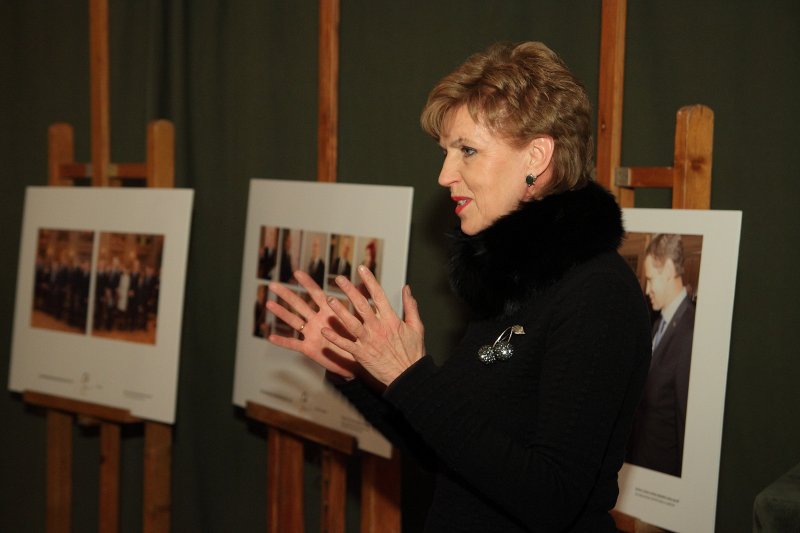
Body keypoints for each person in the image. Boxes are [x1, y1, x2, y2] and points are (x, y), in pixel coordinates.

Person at [267, 41, 651, 532]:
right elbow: (449, 453)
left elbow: (552, 498)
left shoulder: (598, 296)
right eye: (447, 152)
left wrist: (409, 375)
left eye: (467, 150)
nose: (445, 175)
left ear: (537, 156)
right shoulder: (510, 278)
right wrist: (357, 374)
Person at [626, 234, 695, 477]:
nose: (647, 290)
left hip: (664, 474)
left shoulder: (690, 331)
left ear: (667, 269)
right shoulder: (660, 324)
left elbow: (685, 421)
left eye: (651, 279)